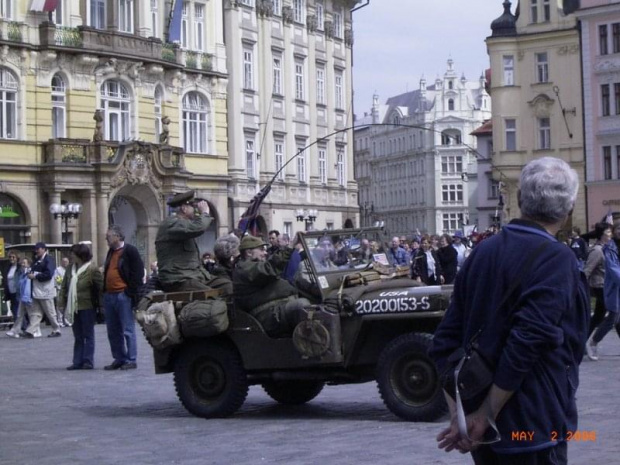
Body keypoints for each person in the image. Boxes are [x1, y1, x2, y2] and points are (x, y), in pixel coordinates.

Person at [430, 157, 590, 464]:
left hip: (485, 432)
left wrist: (462, 418)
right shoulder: (558, 259)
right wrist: (486, 415)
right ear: (569, 209)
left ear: (519, 200)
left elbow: (443, 343)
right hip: (533, 425)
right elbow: (526, 342)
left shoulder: (482, 252)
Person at [232, 235, 310, 338]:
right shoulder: (244, 268)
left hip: (276, 308)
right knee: (302, 306)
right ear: (249, 252)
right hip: (267, 315)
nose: (265, 253)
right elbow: (269, 269)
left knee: (320, 303)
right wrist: (290, 247)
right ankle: (311, 348)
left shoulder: (253, 266)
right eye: (261, 250)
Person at [102, 225, 144, 370]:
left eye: (108, 236)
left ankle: (131, 359)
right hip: (110, 295)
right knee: (113, 330)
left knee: (127, 328)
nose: (106, 238)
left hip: (122, 295)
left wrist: (129, 292)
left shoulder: (130, 251)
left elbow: (138, 273)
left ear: (118, 237)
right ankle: (119, 357)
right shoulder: (110, 252)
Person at [156, 190, 212, 292]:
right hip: (177, 278)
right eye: (193, 207)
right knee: (211, 295)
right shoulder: (171, 223)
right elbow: (198, 227)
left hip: (193, 275)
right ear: (184, 208)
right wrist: (205, 213)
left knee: (227, 286)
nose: (195, 210)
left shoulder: (183, 225)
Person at [60, 244, 103, 370]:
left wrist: (101, 305)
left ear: (81, 255)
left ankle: (88, 361)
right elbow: (64, 286)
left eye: (73, 254)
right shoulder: (70, 269)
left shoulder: (92, 269)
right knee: (77, 335)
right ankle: (77, 361)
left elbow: (100, 288)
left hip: (87, 305)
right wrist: (61, 302)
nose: (70, 256)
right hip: (73, 306)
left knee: (88, 334)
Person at [586, 219, 620, 361]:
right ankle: (593, 341)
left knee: (615, 318)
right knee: (612, 317)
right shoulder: (607, 249)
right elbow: (613, 270)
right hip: (610, 287)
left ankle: (589, 341)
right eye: (618, 229)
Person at [24, 242, 62, 338]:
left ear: (44, 249)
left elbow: (49, 274)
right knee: (36, 312)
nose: (36, 251)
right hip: (37, 290)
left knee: (50, 311)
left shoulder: (49, 260)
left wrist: (35, 276)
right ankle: (31, 330)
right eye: (36, 249)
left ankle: (56, 329)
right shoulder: (36, 260)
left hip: (46, 290)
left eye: (38, 249)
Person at [584, 222, 612, 339]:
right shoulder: (597, 251)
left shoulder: (607, 249)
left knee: (598, 316)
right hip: (599, 286)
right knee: (615, 313)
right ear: (601, 235)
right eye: (608, 232)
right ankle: (592, 341)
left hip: (605, 286)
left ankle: (581, 340)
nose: (610, 235)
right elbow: (587, 270)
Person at [6, 257, 31, 338]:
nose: (22, 264)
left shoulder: (29, 273)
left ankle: (34, 330)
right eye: (22, 263)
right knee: (19, 314)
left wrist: (27, 297)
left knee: (31, 315)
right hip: (22, 296)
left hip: (27, 297)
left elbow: (28, 286)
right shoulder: (23, 273)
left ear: (28, 264)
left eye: (24, 263)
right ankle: (15, 330)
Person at [3, 252, 22, 334]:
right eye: (10, 257)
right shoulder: (8, 268)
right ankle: (19, 328)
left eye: (13, 257)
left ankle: (19, 328)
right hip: (11, 292)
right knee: (14, 310)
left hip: (18, 292)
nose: (11, 259)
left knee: (18, 310)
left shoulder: (19, 267)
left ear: (17, 258)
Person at [54, 257, 70, 327]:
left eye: (66, 261)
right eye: (64, 261)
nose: (65, 263)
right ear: (61, 262)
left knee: (67, 306)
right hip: (60, 289)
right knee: (60, 306)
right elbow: (57, 279)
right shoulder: (58, 270)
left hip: (68, 289)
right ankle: (60, 321)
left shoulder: (70, 269)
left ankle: (66, 320)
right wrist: (64, 281)